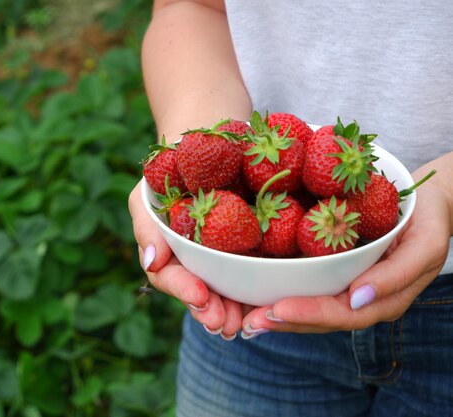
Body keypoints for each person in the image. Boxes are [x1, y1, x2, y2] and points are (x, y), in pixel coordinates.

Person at [128, 1, 453, 416]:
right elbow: (192, 7)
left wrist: (445, 192)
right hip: (245, 304)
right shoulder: (242, 205)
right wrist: (200, 157)